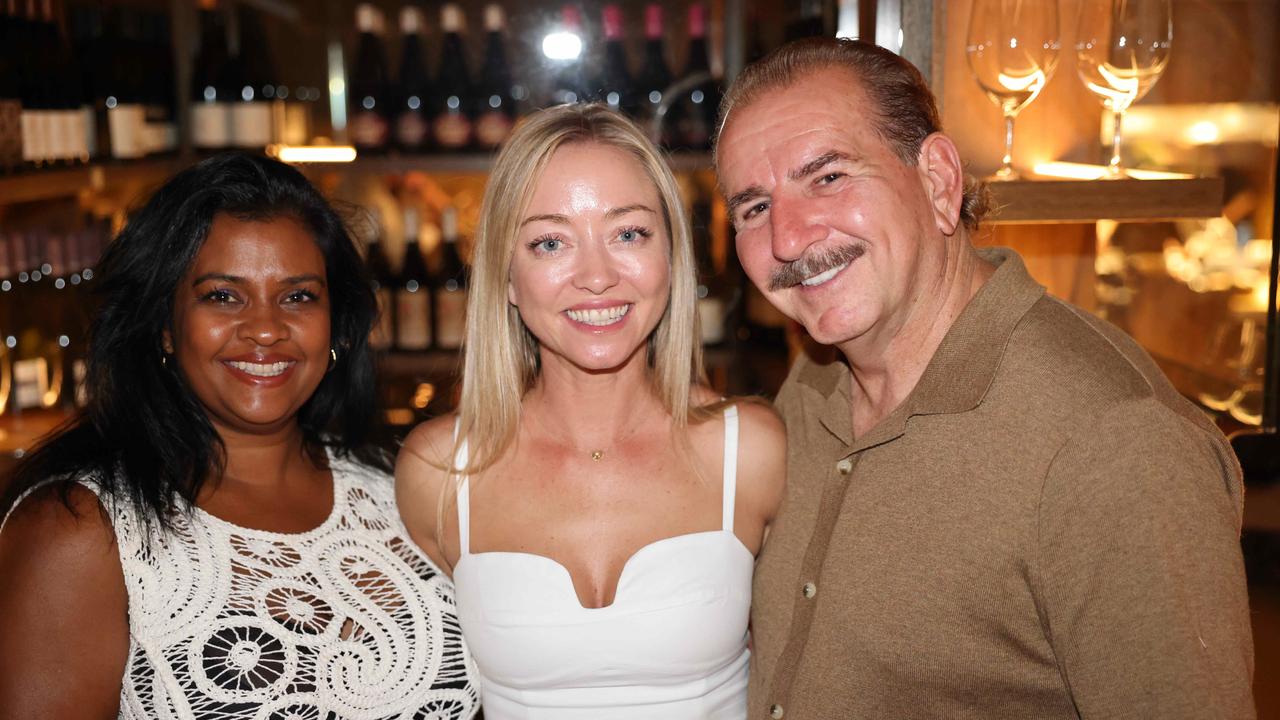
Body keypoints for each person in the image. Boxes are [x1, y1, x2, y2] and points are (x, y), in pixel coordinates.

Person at [713, 37, 1254, 719]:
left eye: (828, 176)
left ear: (939, 180)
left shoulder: (1115, 441)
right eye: (755, 207)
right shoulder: (820, 372)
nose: (788, 238)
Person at [0, 153, 479, 719]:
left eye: (298, 295)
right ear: (164, 326)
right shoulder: (78, 532)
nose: (266, 329)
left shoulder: (398, 489)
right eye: (222, 296)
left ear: (336, 325)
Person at [396, 103, 786, 719]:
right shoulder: (440, 472)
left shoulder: (752, 450)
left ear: (671, 256)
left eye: (629, 233)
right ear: (507, 275)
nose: (597, 276)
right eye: (550, 242)